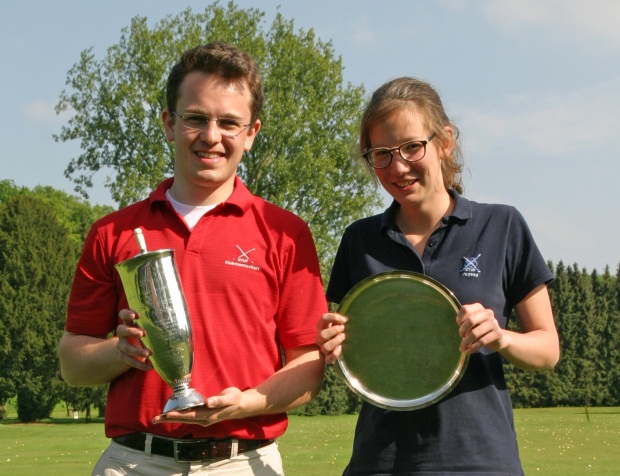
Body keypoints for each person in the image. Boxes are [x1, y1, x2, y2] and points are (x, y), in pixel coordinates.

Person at [59, 41, 327, 476]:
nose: (212, 136)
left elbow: (309, 365)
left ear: (252, 133)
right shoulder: (113, 232)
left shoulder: (286, 233)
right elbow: (73, 361)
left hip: (245, 463)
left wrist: (247, 404)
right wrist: (121, 350)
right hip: (134, 462)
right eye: (196, 119)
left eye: (229, 123)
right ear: (169, 123)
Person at [316, 77, 560, 475]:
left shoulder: (502, 225)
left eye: (412, 146)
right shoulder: (359, 240)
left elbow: (548, 349)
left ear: (445, 142)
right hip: (380, 463)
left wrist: (500, 337)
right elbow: (350, 349)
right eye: (381, 153)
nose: (398, 167)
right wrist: (329, 344)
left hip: (478, 461)